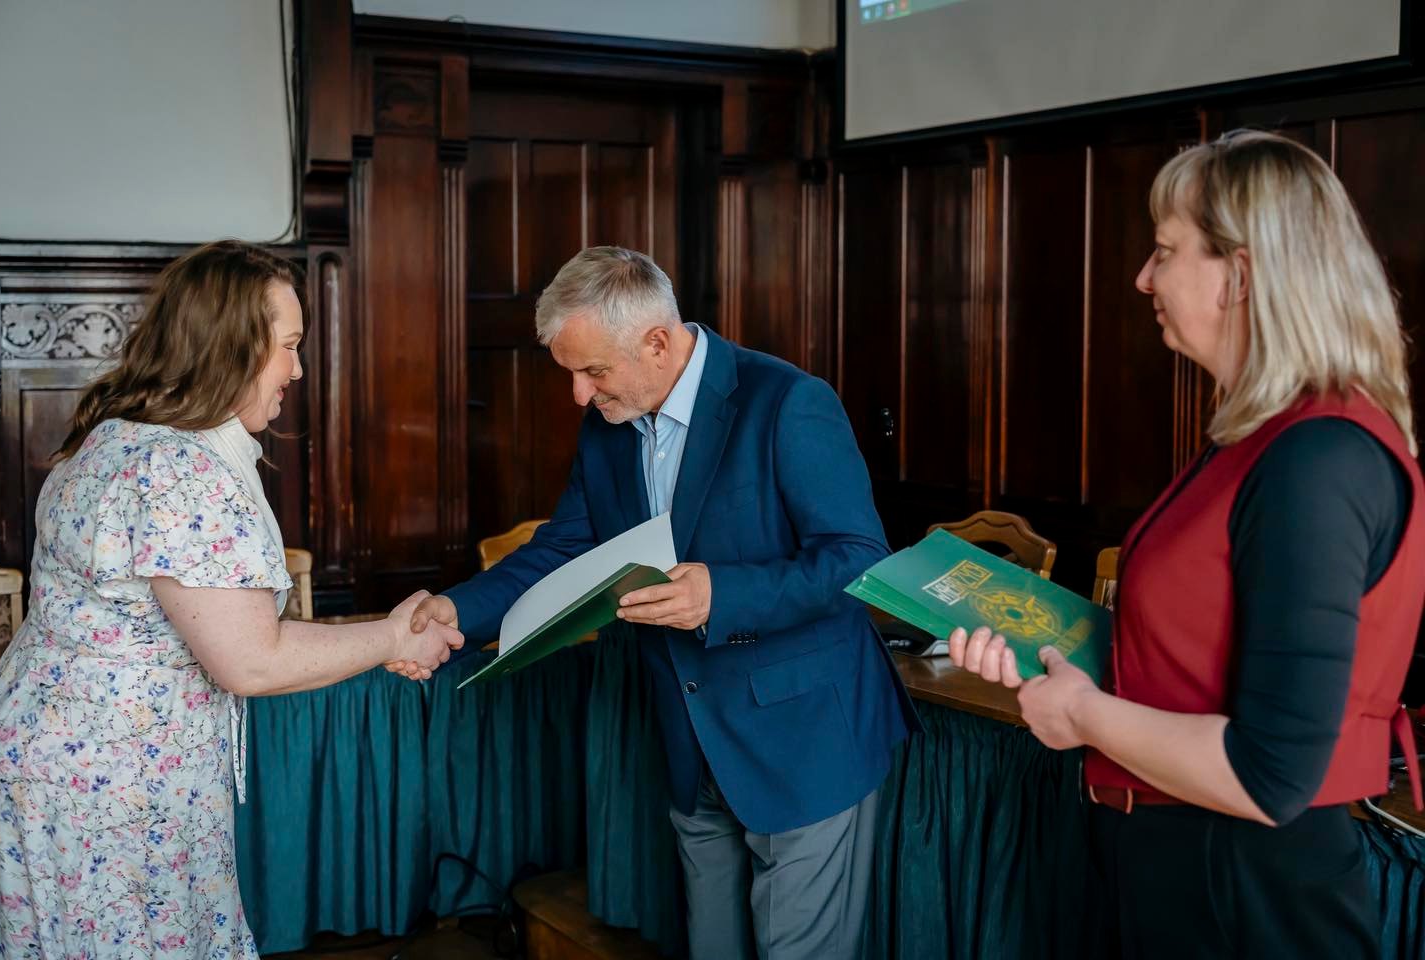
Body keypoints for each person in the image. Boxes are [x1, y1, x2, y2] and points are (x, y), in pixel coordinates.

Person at [949, 130, 1425, 958]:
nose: (1144, 277)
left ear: (1241, 274)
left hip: (1244, 888)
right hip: (1183, 865)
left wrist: (1081, 713)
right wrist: (1041, 651)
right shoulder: (1262, 437)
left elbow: (1270, 773)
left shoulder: (1318, 455)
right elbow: (1193, 656)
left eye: (1166, 251)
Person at [397, 246, 917, 959]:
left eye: (593, 371)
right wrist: (459, 610)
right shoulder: (608, 422)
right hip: (689, 739)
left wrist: (722, 593)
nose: (578, 395)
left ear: (658, 343)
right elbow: (564, 548)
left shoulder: (788, 401)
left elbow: (859, 559)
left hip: (803, 740)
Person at [0, 240, 462, 958]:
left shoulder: (114, 438)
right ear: (232, 347)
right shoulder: (181, 470)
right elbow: (251, 660)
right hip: (108, 791)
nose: (297, 370)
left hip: (46, 762)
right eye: (289, 347)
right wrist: (395, 638)